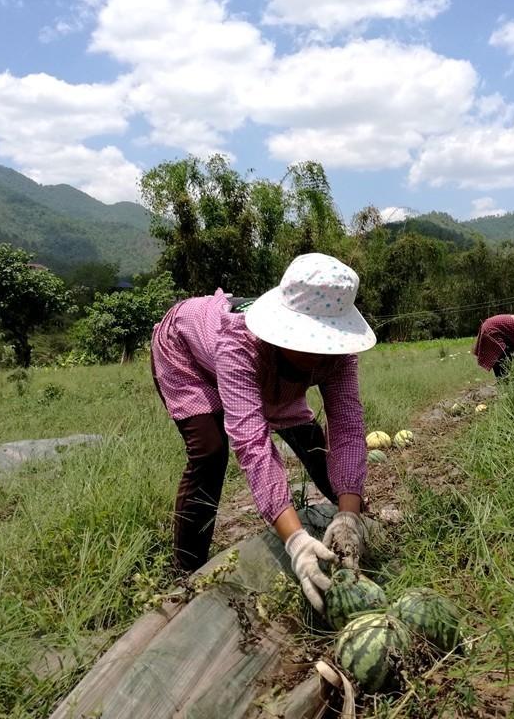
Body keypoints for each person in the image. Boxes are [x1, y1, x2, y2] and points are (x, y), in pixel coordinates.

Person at [150, 253, 376, 612]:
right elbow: (253, 444)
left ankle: (347, 528)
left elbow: (347, 428)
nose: (321, 357)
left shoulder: (338, 356)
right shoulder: (238, 342)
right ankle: (187, 573)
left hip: (270, 371)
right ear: (285, 330)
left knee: (310, 439)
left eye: (327, 345)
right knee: (210, 452)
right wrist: (296, 543)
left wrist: (350, 514)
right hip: (188, 355)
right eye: (312, 344)